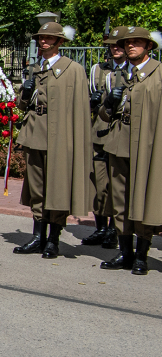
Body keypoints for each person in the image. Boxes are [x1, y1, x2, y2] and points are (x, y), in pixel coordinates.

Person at [13, 21, 93, 258]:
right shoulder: (35, 68)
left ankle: (53, 239)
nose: (43, 41)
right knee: (37, 189)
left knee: (57, 189)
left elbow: (78, 109)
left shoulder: (73, 69)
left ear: (59, 41)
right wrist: (25, 95)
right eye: (40, 38)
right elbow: (23, 104)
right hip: (36, 134)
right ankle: (38, 236)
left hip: (60, 138)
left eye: (49, 38)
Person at [98, 26, 162, 274]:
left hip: (147, 146)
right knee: (120, 200)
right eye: (127, 43)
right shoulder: (117, 75)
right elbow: (104, 115)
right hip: (119, 142)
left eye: (137, 42)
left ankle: (141, 256)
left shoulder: (157, 74)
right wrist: (109, 103)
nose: (131, 46)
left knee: (142, 199)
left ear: (148, 47)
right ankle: (124, 253)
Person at [82, 27, 126, 249]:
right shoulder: (98, 70)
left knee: (117, 185)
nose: (115, 48)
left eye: (119, 44)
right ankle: (101, 228)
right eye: (111, 44)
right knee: (99, 184)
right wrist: (93, 101)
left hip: (120, 136)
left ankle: (115, 230)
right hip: (99, 133)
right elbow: (90, 104)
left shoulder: (132, 71)